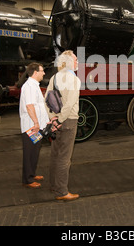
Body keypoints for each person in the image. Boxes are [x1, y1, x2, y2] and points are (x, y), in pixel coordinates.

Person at [46, 50, 81, 201]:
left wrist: (53, 119)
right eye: (75, 59)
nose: (78, 61)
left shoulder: (54, 77)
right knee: (65, 157)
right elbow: (69, 104)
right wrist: (60, 120)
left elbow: (47, 100)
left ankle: (54, 184)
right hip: (68, 121)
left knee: (55, 153)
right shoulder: (74, 79)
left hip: (55, 121)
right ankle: (62, 191)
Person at [19, 62, 49, 188]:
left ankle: (32, 173)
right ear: (35, 72)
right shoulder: (30, 86)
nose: (44, 73)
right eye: (42, 71)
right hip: (31, 126)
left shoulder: (34, 85)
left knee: (35, 150)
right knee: (30, 152)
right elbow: (29, 106)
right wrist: (36, 123)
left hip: (36, 126)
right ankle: (28, 180)